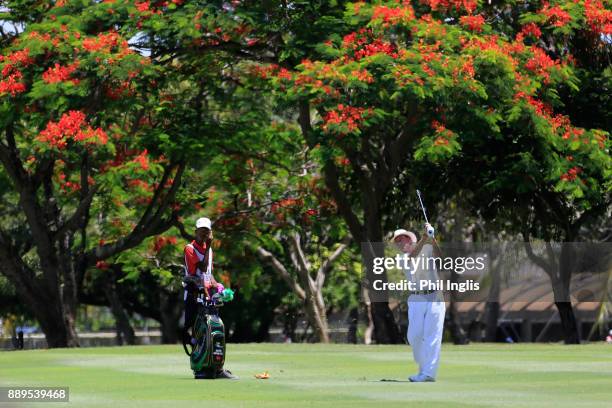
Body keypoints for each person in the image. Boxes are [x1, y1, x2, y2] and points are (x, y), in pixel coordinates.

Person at [183, 217, 236, 379]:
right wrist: (209, 246)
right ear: (196, 232)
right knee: (196, 332)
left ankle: (217, 367)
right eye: (201, 230)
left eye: (207, 230)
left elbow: (208, 274)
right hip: (193, 295)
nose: (204, 234)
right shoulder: (190, 248)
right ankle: (200, 368)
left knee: (213, 328)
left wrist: (218, 285)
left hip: (208, 295)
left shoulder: (209, 250)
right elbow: (201, 267)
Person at [393, 223, 445, 382]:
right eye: (398, 241)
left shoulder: (427, 248)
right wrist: (425, 237)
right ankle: (423, 369)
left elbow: (440, 258)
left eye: (404, 239)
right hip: (416, 299)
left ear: (411, 239)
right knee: (414, 336)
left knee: (432, 336)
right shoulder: (401, 258)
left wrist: (432, 238)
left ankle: (428, 374)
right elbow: (412, 258)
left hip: (435, 297)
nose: (401, 242)